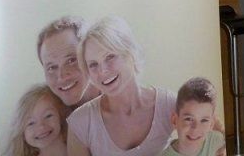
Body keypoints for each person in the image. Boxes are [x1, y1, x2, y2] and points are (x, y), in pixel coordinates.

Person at [66, 16, 176, 156]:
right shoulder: (81, 123)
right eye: (93, 64)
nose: (102, 71)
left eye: (110, 57)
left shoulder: (168, 105)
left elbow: (204, 142)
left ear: (130, 53)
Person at [37, 17, 101, 109]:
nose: (62, 77)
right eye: (52, 67)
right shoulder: (48, 113)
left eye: (71, 60)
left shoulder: (119, 99)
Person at [161, 77, 226, 156]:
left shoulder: (215, 141)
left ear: (211, 124)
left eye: (204, 120)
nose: (196, 128)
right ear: (175, 120)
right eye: (188, 119)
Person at [5, 84, 69, 156]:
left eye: (48, 116)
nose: (41, 126)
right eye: (31, 123)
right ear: (22, 133)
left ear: (61, 115)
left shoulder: (78, 147)